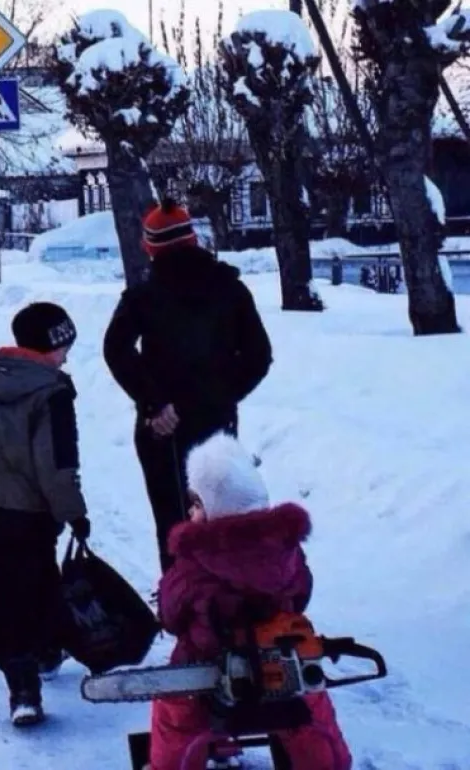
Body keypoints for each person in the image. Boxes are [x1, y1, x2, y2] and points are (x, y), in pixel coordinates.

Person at [148, 433, 351, 770]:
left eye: (196, 504)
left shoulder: (192, 564)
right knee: (311, 709)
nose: (191, 512)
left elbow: (170, 616)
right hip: (282, 665)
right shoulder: (286, 552)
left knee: (174, 715)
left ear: (213, 509)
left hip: (206, 671)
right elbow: (301, 594)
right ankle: (327, 764)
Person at [103, 198, 273, 572]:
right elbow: (259, 356)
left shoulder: (143, 297)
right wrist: (220, 397)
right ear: (193, 239)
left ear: (151, 248)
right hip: (216, 425)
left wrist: (153, 402)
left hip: (162, 427)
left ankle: (179, 592)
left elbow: (115, 349)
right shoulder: (232, 290)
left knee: (172, 518)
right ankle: (224, 590)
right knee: (219, 513)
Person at [0, 301, 91, 727]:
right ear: (50, 346)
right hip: (29, 513)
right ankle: (43, 655)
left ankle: (23, 684)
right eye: (64, 348)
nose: (66, 357)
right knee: (38, 587)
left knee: (1, 594)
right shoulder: (53, 394)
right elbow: (58, 465)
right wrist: (74, 514)